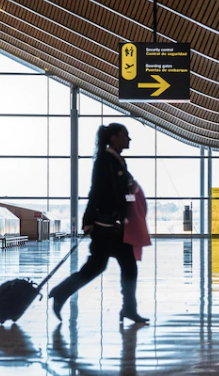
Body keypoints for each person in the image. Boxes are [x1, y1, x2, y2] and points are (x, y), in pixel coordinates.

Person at [49, 123, 149, 324]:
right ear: (114, 138)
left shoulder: (117, 161)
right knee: (95, 268)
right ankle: (60, 292)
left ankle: (129, 309)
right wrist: (88, 221)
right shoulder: (105, 160)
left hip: (116, 228)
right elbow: (95, 190)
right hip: (105, 228)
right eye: (125, 135)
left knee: (128, 267)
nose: (128, 139)